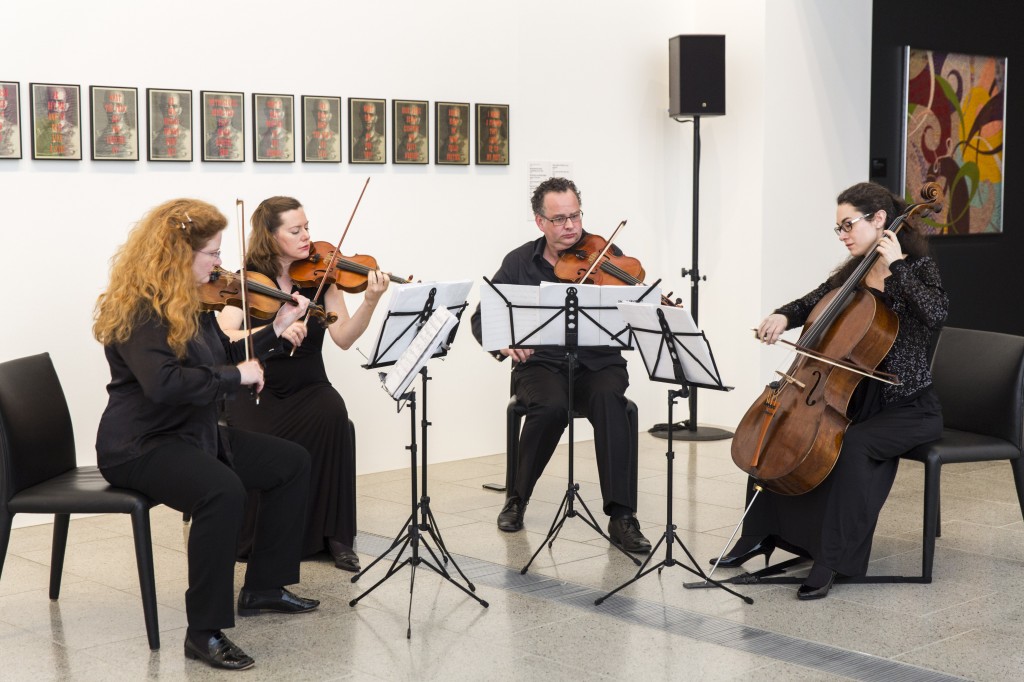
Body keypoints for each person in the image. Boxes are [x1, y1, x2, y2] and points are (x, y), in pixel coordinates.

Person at [93, 198, 320, 670]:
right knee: (221, 492)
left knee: (290, 461)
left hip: (192, 434)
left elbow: (224, 358)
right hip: (140, 445)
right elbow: (165, 385)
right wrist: (235, 378)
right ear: (177, 255)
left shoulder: (190, 303)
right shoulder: (141, 310)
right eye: (212, 253)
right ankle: (203, 632)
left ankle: (262, 586)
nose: (221, 263)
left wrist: (275, 330)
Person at [714, 181, 948, 600]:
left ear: (879, 221)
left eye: (847, 225)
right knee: (780, 426)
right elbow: (812, 301)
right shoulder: (851, 273)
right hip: (853, 396)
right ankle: (759, 534)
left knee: (853, 445)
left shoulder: (915, 269)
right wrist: (783, 316)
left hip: (907, 406)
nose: (842, 235)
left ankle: (831, 559)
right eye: (838, 228)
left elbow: (935, 314)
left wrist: (895, 268)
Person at [470, 177, 651, 554]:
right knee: (549, 407)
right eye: (560, 219)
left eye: (575, 216)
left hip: (599, 362)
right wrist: (505, 344)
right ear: (540, 222)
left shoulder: (604, 252)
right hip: (541, 364)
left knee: (609, 400)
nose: (570, 226)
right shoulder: (520, 261)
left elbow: (633, 305)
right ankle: (517, 498)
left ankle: (622, 517)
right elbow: (482, 316)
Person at [218, 196, 389, 572]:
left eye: (307, 227)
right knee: (268, 443)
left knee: (334, 413)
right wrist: (275, 326)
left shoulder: (321, 276)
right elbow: (226, 334)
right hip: (258, 388)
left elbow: (343, 336)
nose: (307, 237)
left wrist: (371, 302)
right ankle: (269, 535)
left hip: (310, 384)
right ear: (270, 235)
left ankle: (336, 536)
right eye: (295, 230)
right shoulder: (248, 279)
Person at [150, 91, 191, 160]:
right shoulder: (153, 138)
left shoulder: (189, 135)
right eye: (167, 106)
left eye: (174, 107)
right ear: (161, 108)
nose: (170, 111)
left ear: (180, 110)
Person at [205, 93, 243, 160]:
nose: (223, 112)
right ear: (214, 111)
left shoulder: (241, 137)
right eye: (219, 108)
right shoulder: (207, 138)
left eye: (227, 108)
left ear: (232, 112)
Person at [257, 96, 293, 161]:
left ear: (282, 113)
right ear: (265, 112)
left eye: (277, 110)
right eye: (270, 110)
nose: (273, 114)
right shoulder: (259, 139)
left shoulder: (291, 138)